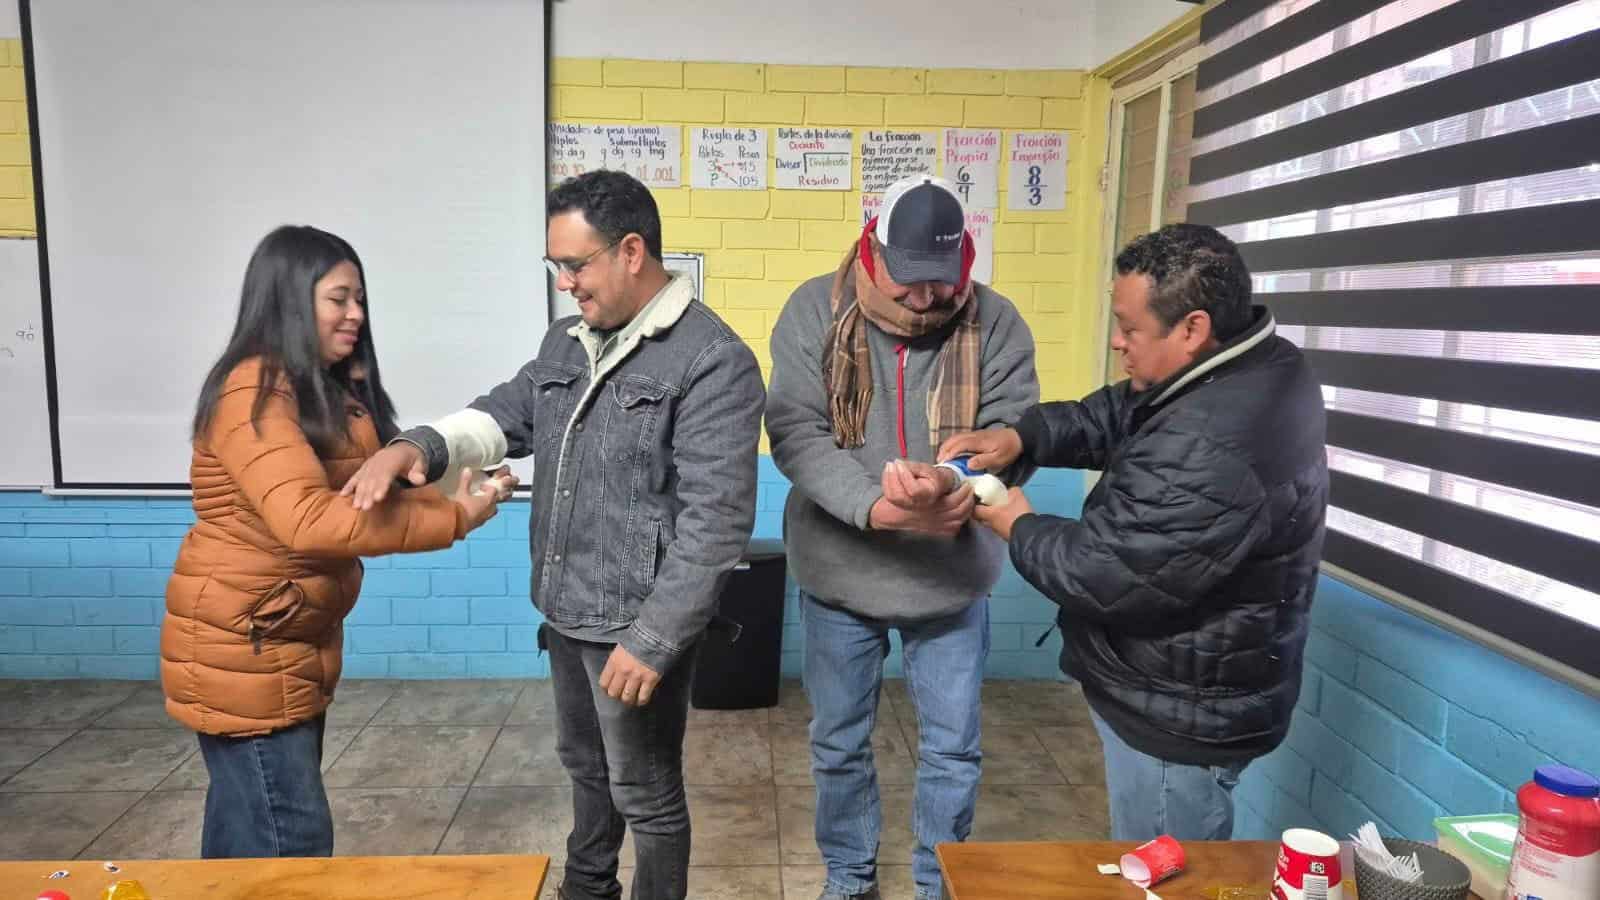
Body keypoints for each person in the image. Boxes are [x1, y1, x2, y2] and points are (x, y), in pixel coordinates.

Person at [342, 170, 766, 900]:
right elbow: (507, 413)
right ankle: (587, 888)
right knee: (586, 769)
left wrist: (655, 639)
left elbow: (717, 520)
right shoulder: (567, 341)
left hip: (635, 626)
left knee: (648, 793)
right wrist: (418, 446)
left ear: (632, 251)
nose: (565, 283)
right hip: (566, 612)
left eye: (575, 265)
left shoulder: (713, 360)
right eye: (556, 267)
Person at [943, 223, 1328, 842]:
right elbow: (1125, 411)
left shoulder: (1213, 438)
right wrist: (1025, 435)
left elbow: (1108, 573)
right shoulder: (1250, 366)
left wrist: (1017, 523)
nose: (1118, 343)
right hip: (1196, 689)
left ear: (1193, 328)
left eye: (1130, 328)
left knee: (1165, 872)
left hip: (1180, 715)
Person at [161, 225, 508, 858]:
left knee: (248, 829)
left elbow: (364, 489)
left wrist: (463, 486)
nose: (356, 315)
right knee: (286, 840)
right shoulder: (254, 393)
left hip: (282, 639)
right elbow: (311, 520)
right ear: (290, 300)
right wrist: (452, 519)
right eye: (338, 299)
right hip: (248, 648)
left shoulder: (322, 389)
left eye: (360, 299)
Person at [765, 175, 1039, 900]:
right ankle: (850, 876)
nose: (925, 300)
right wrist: (875, 508)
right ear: (872, 252)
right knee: (838, 744)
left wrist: (949, 481)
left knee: (952, 750)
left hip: (950, 581)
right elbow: (795, 433)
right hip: (839, 574)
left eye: (941, 284)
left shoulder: (998, 322)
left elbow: (1013, 434)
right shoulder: (811, 312)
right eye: (909, 282)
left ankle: (935, 883)